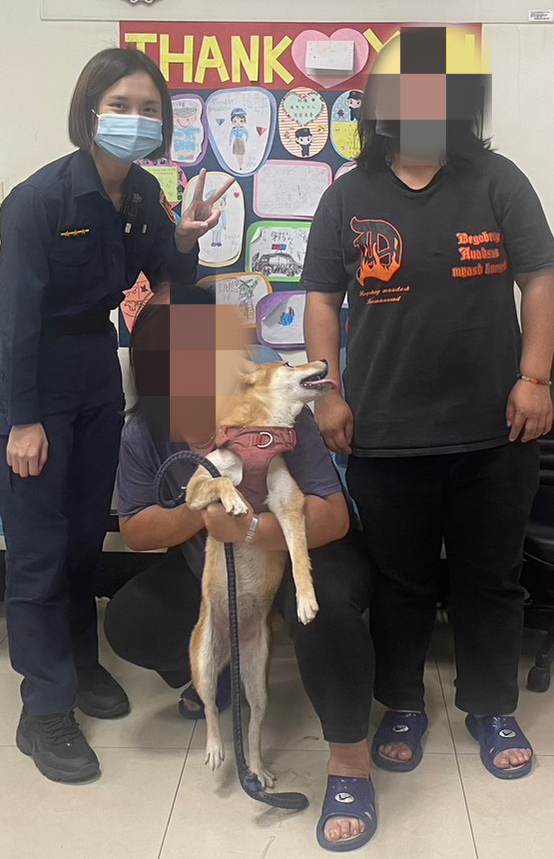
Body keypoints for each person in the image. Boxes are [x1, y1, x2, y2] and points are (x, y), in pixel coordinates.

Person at [300, 26, 554, 782]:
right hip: (384, 430)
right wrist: (327, 393)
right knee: (400, 582)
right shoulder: (346, 197)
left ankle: (491, 705)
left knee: (491, 578)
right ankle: (403, 702)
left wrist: (535, 377)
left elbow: (539, 280)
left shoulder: (498, 180)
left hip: (496, 429)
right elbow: (320, 302)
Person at [0, 47, 229, 786]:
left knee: (85, 540)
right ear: (89, 110)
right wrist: (24, 420)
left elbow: (165, 282)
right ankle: (44, 707)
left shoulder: (143, 194)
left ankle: (78, 663)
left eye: (148, 108)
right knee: (37, 550)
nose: (135, 119)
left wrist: (182, 240)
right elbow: (16, 318)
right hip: (33, 381)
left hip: (94, 371)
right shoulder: (39, 200)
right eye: (120, 105)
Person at [104, 282, 379, 850]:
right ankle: (221, 674)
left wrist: (252, 529)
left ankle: (350, 762)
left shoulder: (273, 409)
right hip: (214, 565)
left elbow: (332, 517)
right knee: (133, 621)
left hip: (296, 553)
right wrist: (201, 510)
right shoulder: (145, 431)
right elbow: (136, 530)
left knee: (326, 605)